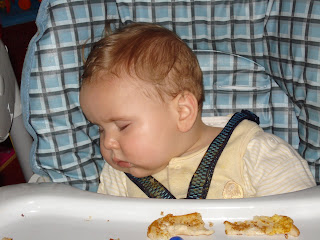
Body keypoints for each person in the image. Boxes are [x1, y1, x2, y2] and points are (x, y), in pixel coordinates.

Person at [79, 22, 316, 199]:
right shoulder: (118, 177)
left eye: (122, 126)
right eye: (100, 128)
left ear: (182, 112)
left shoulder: (259, 156)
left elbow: (300, 221)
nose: (108, 143)